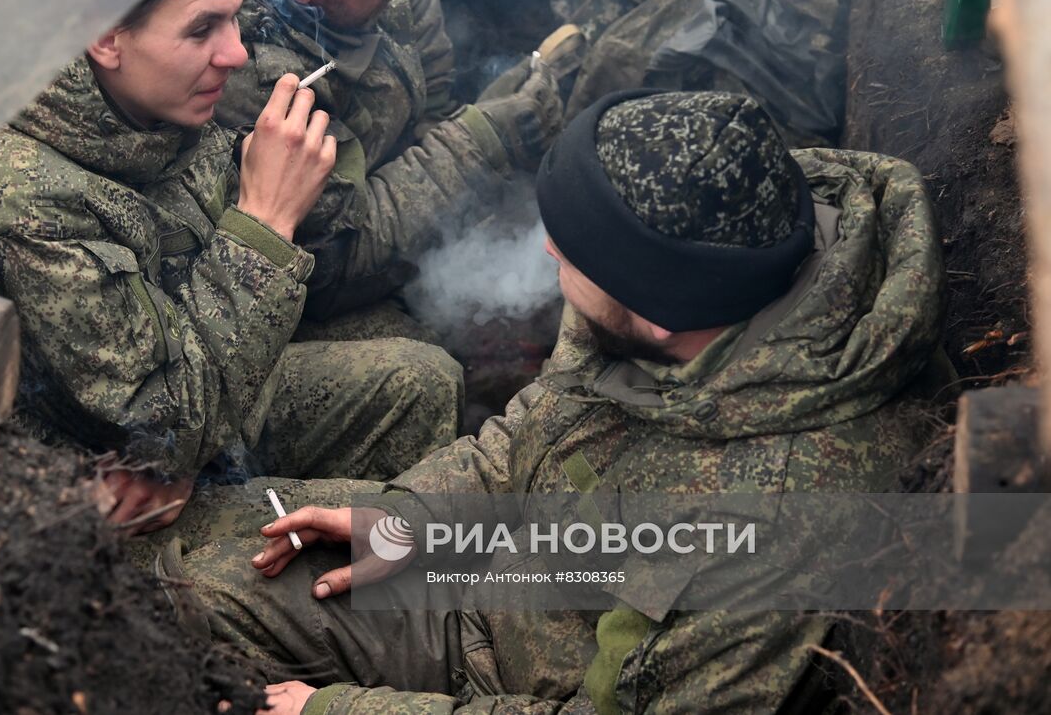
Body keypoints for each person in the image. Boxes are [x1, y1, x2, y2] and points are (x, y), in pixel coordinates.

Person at [155, 90, 951, 713]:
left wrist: (334, 708)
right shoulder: (715, 253)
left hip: (507, 673)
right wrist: (413, 517)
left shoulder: (758, 533)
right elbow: (544, 428)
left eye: (571, 253)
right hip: (502, 574)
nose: (548, 250)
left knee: (175, 614)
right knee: (175, 567)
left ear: (659, 311)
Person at [0, 0, 461, 532]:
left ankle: (420, 593)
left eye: (235, 19)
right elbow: (163, 425)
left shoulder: (148, 103)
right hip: (92, 505)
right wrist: (264, 223)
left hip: (187, 419)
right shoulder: (21, 201)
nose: (235, 54)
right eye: (203, 28)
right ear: (105, 39)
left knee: (423, 381)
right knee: (353, 546)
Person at [220, 0, 579, 336]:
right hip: (299, 284)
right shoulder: (240, 74)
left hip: (391, 201)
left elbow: (433, 82)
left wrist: (457, 141)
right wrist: (476, 144)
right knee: (417, 349)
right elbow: (329, 262)